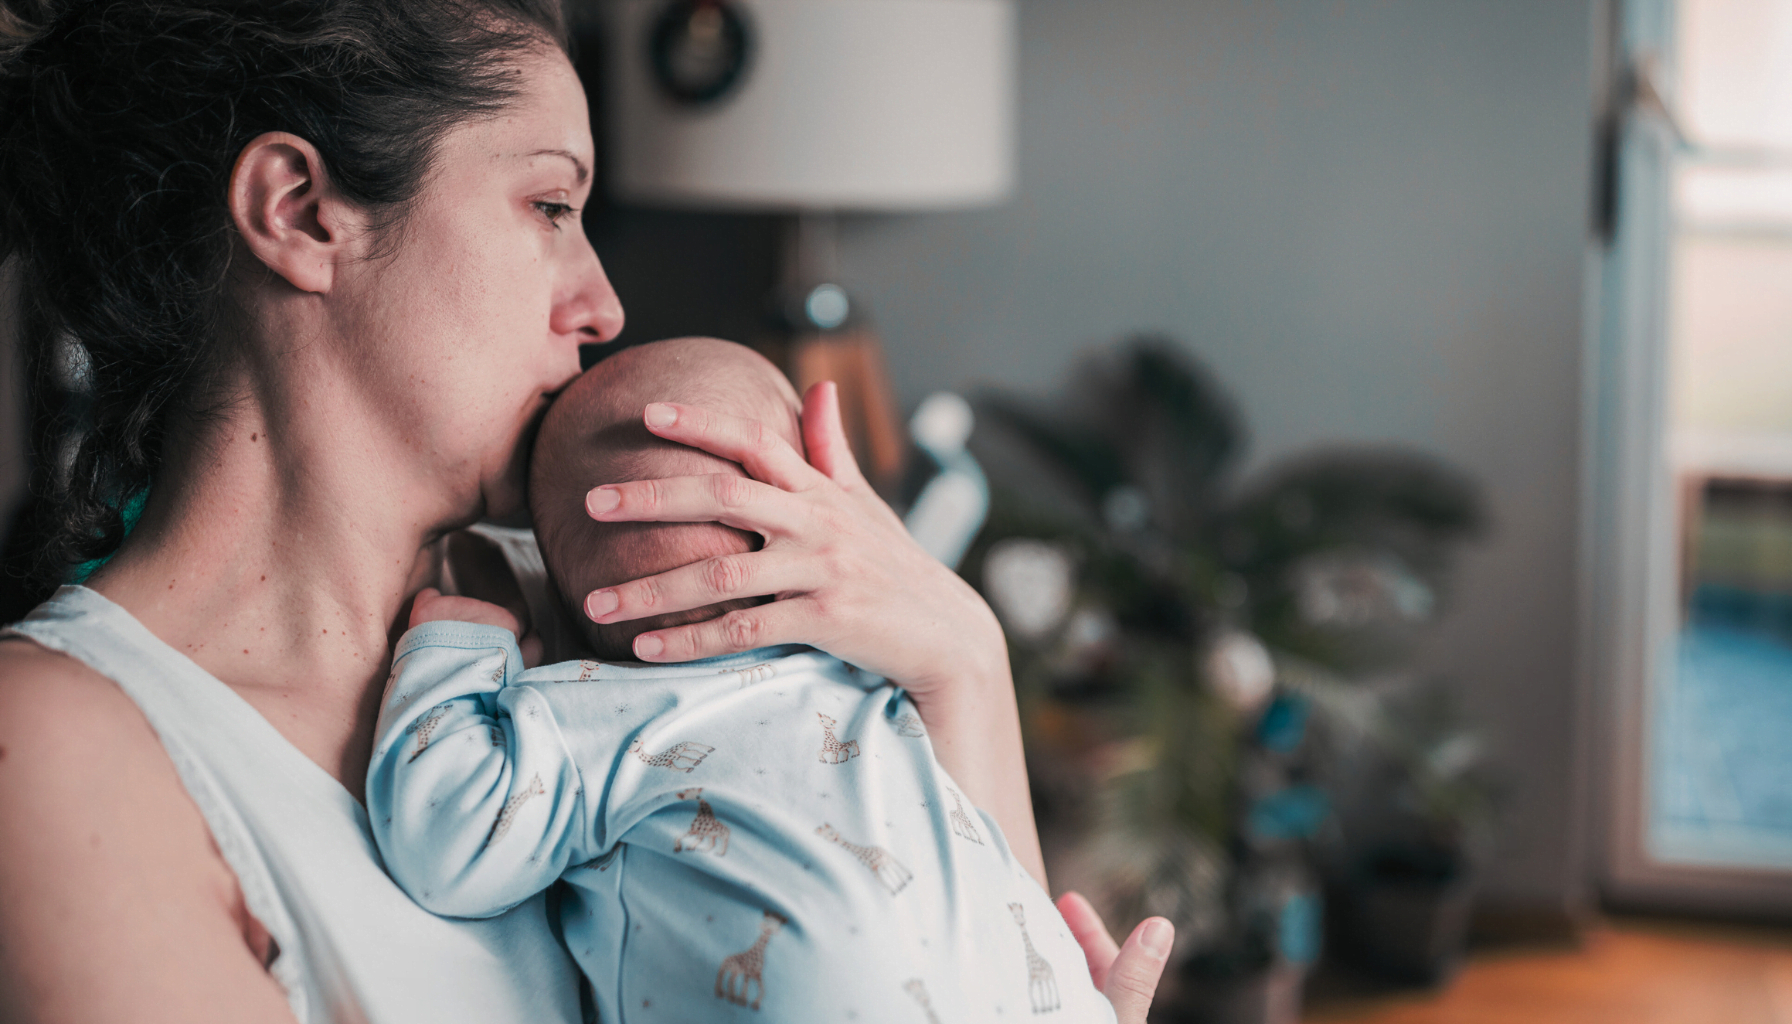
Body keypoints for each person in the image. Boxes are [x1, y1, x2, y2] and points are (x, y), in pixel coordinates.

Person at [0, 2, 1170, 1021]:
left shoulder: (623, 620)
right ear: (303, 210)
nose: (604, 303)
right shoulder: (59, 746)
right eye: (550, 205)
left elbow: (954, 952)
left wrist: (959, 660)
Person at [372, 337, 1118, 1023]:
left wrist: (456, 649)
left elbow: (449, 846)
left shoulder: (594, 712)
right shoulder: (876, 679)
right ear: (821, 498)